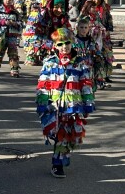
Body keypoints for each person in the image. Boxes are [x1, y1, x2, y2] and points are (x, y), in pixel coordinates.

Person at [36, 27, 94, 178]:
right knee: (57, 134)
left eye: (67, 42)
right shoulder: (50, 62)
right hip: (55, 106)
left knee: (68, 135)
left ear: (72, 43)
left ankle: (58, 163)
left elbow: (86, 84)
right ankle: (57, 163)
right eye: (60, 43)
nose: (64, 46)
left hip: (73, 106)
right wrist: (43, 102)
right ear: (55, 45)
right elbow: (43, 83)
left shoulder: (80, 63)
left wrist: (88, 103)